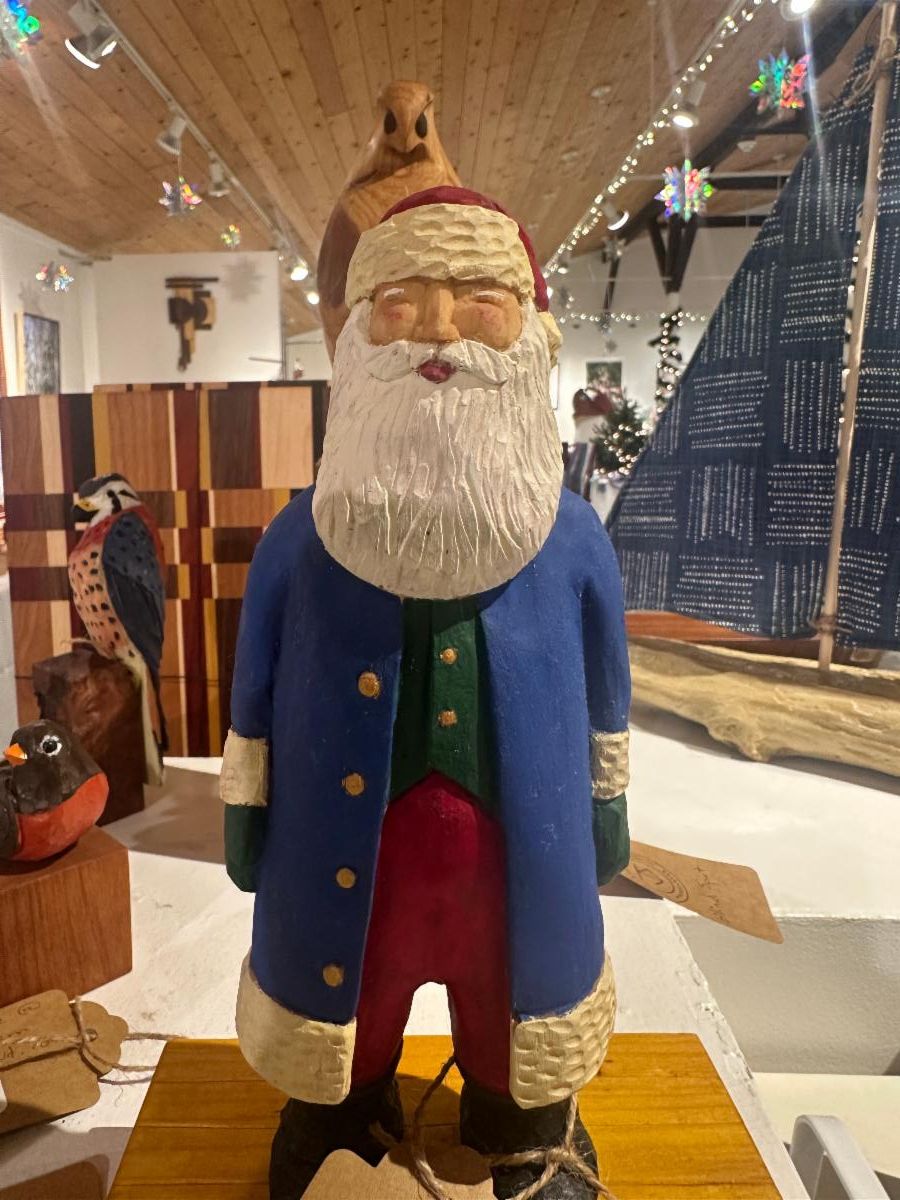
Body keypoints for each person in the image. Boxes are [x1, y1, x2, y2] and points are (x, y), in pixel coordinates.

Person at [222, 186, 631, 1200]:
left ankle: (520, 1119)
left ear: (530, 334)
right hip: (343, 858)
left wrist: (608, 809)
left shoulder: (572, 539)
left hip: (521, 857)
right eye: (402, 303)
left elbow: (606, 690)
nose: (440, 332)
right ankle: (341, 1112)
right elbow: (255, 692)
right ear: (358, 337)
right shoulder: (299, 541)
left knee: (512, 1006)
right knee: (349, 1005)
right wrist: (246, 808)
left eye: (480, 303)